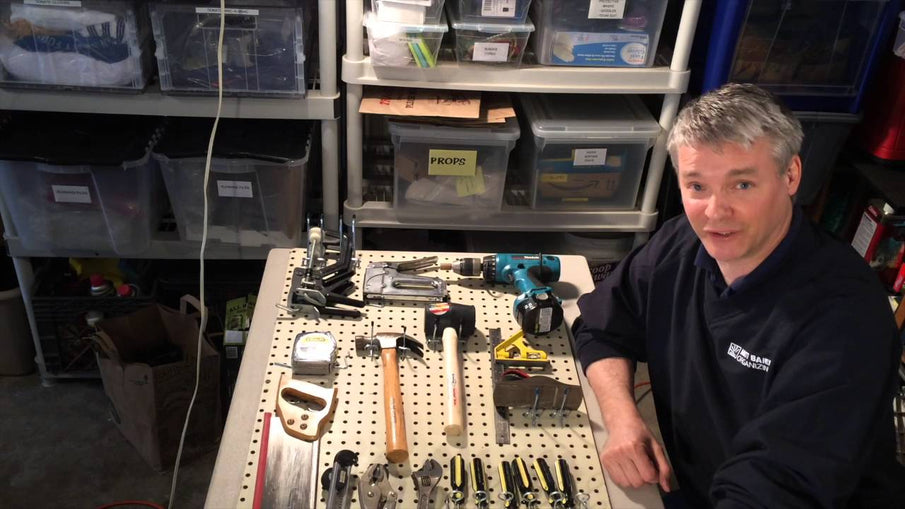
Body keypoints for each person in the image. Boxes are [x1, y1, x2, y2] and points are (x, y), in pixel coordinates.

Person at [573, 83, 905, 508]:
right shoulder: (681, 244)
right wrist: (622, 420)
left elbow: (776, 490)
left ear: (790, 176)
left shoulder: (845, 321)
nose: (715, 211)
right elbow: (601, 329)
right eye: (697, 186)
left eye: (742, 184)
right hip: (690, 485)